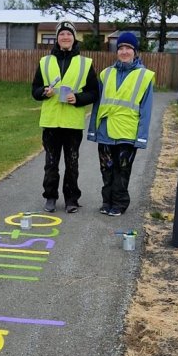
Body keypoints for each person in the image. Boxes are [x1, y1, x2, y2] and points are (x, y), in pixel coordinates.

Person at [30, 19, 100, 213]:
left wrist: (77, 98)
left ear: (74, 37)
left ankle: (71, 199)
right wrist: (44, 92)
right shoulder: (45, 62)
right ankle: (50, 197)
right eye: (62, 34)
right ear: (57, 38)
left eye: (69, 34)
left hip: (72, 123)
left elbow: (94, 92)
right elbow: (34, 91)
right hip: (51, 122)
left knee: (72, 163)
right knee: (51, 163)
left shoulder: (85, 63)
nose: (65, 37)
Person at [88, 31, 154, 216]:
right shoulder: (105, 74)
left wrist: (141, 137)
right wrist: (93, 130)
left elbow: (146, 110)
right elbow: (97, 105)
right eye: (121, 48)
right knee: (106, 169)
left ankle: (119, 203)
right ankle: (106, 201)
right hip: (106, 131)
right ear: (117, 51)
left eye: (128, 48)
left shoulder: (145, 76)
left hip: (127, 132)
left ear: (135, 52)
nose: (124, 51)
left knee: (122, 170)